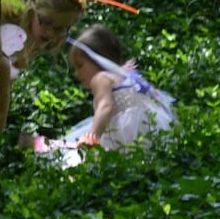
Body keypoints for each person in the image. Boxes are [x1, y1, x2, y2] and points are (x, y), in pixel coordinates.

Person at [27, 24, 176, 167]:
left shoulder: (101, 78)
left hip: (124, 130)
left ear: (98, 60)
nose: (77, 74)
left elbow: (106, 106)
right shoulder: (122, 76)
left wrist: (92, 136)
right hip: (146, 125)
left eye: (80, 65)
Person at [0, 0, 89, 135]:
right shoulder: (9, 22)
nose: (51, 32)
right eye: (45, 22)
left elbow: (4, 94)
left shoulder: (31, 44)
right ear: (33, 8)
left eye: (60, 29)